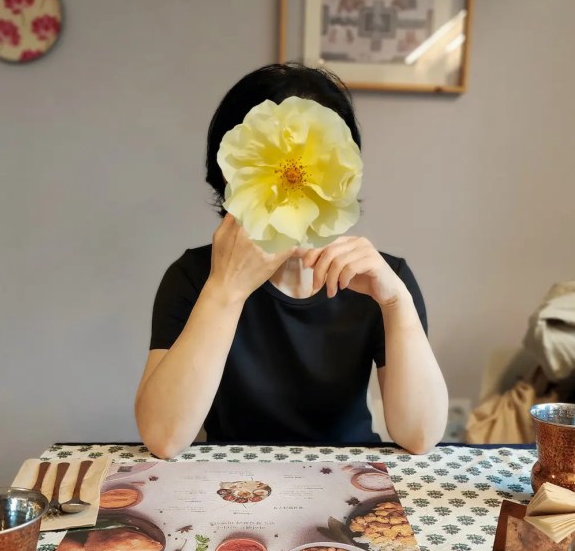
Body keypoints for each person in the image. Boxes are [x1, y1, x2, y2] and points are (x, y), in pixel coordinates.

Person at [135, 63, 448, 457]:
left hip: (350, 476)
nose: (292, 176)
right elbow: (163, 437)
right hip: (232, 479)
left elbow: (419, 436)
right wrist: (224, 291)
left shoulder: (380, 279)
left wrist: (396, 302)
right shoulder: (194, 277)